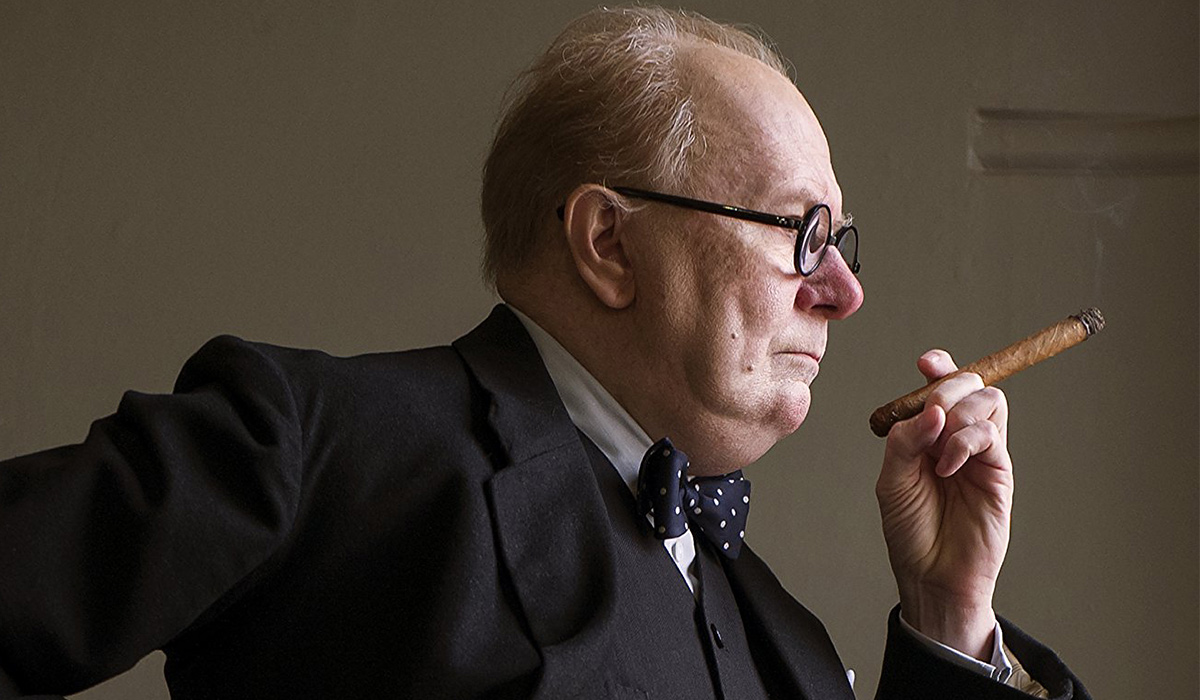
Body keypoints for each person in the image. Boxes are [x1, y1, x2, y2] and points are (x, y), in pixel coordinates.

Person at [0, 6, 1089, 699]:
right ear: (609, 243)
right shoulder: (310, 446)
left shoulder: (789, 640)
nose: (844, 292)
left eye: (841, 243)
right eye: (801, 232)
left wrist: (951, 620)